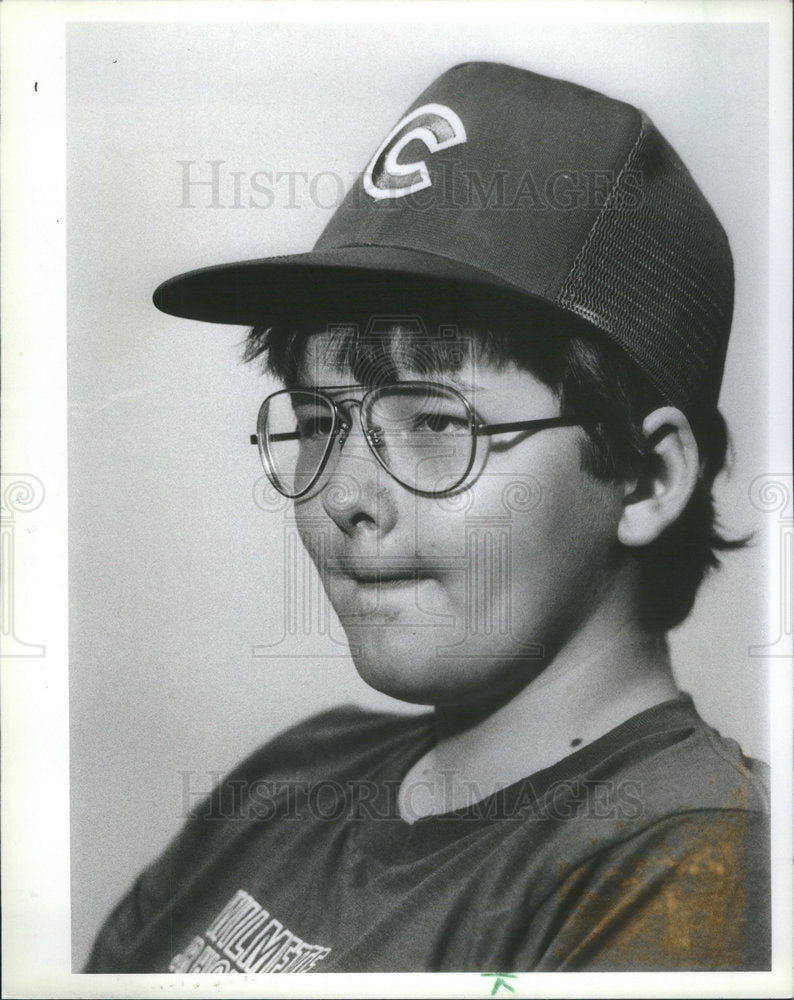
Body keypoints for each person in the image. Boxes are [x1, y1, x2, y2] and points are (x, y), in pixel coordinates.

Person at [85, 61, 770, 973]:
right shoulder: (297, 776)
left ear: (646, 478)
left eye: (438, 422)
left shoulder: (692, 863)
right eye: (321, 420)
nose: (343, 495)